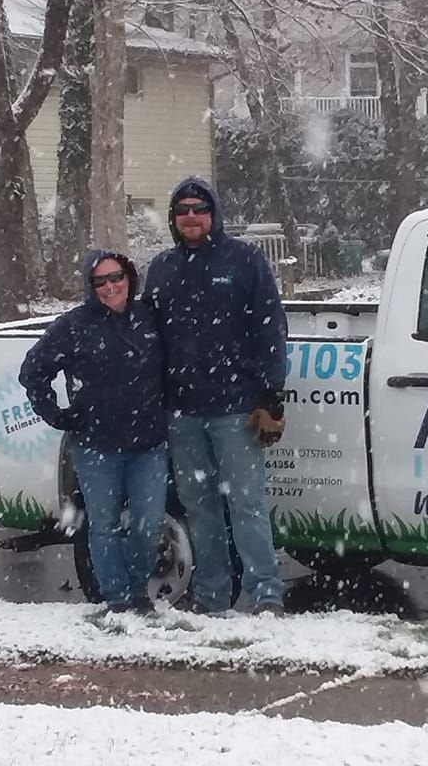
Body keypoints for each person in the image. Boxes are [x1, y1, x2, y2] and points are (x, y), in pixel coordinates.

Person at [145, 176, 289, 616]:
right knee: (199, 508)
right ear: (173, 219)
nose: (191, 216)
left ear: (214, 215)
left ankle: (266, 594)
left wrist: (271, 394)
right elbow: (150, 340)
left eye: (199, 208)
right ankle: (211, 593)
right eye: (182, 209)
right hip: (183, 412)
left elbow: (270, 327)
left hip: (237, 409)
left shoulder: (244, 261)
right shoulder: (163, 268)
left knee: (247, 504)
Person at [19, 250, 166, 613]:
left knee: (147, 526)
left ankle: (138, 592)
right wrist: (59, 415)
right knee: (104, 526)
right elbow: (33, 372)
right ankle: (116, 598)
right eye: (100, 281)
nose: (110, 286)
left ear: (129, 278)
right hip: (96, 447)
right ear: (90, 286)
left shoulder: (150, 318)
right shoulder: (73, 326)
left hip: (148, 445)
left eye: (116, 277)